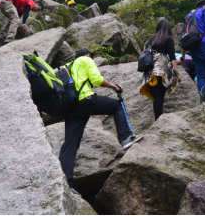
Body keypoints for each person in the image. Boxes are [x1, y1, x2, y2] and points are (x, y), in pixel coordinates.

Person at [59, 49, 143, 193]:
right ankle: (124, 138)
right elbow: (96, 80)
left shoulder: (68, 67)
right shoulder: (86, 60)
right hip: (86, 100)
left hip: (72, 108)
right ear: (88, 55)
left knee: (70, 144)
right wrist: (114, 86)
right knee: (116, 106)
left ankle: (66, 184)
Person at [140, 20, 181, 121]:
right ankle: (159, 121)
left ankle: (157, 119)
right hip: (160, 69)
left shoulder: (150, 40)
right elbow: (172, 57)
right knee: (159, 95)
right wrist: (176, 73)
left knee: (156, 96)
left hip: (149, 69)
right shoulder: (168, 38)